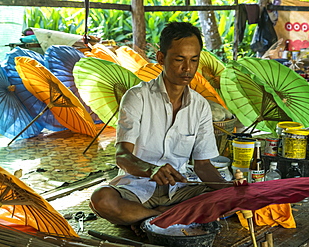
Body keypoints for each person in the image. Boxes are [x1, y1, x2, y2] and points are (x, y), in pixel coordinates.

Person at [89, 21, 234, 230]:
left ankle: (145, 219)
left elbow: (203, 166)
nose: (188, 68)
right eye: (179, 59)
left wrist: (231, 188)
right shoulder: (137, 97)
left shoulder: (200, 105)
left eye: (194, 60)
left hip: (180, 190)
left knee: (228, 201)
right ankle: (162, 216)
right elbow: (122, 155)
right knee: (102, 199)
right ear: (160, 58)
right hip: (137, 188)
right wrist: (151, 169)